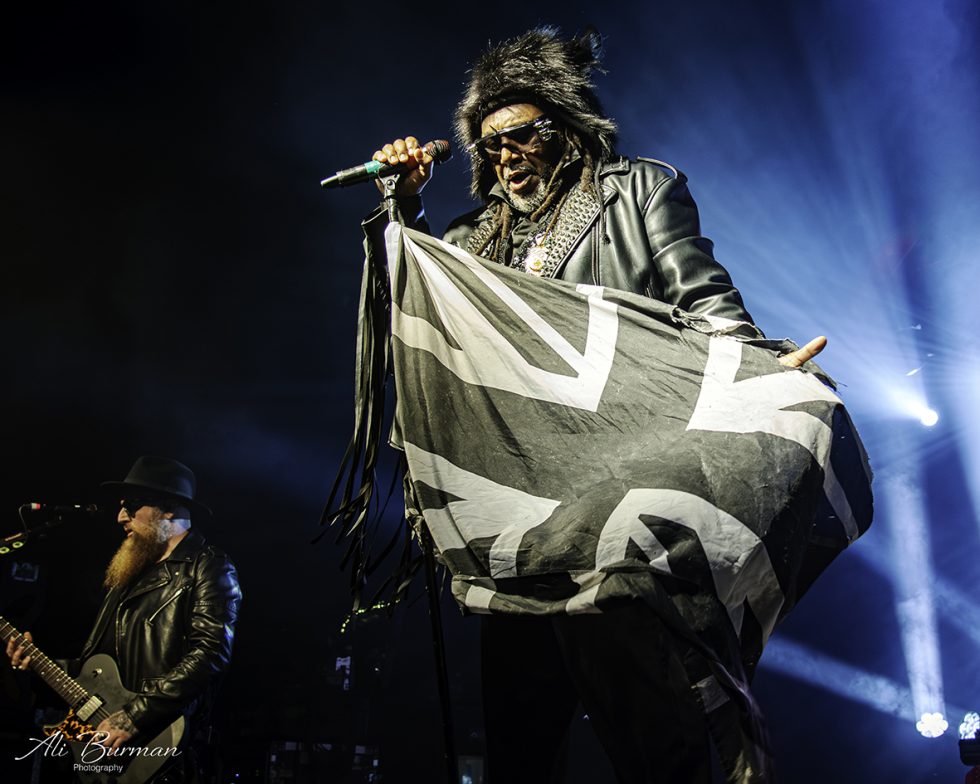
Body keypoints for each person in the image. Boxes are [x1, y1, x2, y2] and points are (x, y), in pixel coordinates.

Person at [363, 27, 824, 783]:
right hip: (522, 525)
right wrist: (402, 209)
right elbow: (422, 322)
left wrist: (762, 372)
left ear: (568, 128)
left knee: (654, 742)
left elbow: (704, 301)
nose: (505, 156)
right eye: (490, 145)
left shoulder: (638, 192)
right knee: (520, 751)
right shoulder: (470, 241)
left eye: (521, 135)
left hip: (619, 501)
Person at [5, 456, 242, 782]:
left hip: (163, 754)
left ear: (167, 508)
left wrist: (134, 717)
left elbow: (211, 654)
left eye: (130, 506)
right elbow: (93, 671)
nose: (120, 517)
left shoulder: (208, 567)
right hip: (104, 753)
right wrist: (35, 662)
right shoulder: (128, 574)